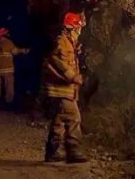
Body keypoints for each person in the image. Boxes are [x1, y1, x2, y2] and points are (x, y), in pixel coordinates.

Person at [42, 12, 87, 163]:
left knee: (59, 120)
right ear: (73, 28)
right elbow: (53, 60)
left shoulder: (69, 42)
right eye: (78, 27)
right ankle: (74, 151)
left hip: (65, 90)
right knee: (74, 118)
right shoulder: (62, 41)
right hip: (61, 89)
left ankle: (52, 152)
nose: (80, 31)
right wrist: (71, 76)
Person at [0, 27, 29, 105]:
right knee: (9, 86)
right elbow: (15, 52)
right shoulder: (8, 43)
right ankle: (9, 102)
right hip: (7, 69)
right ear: (5, 34)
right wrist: (23, 50)